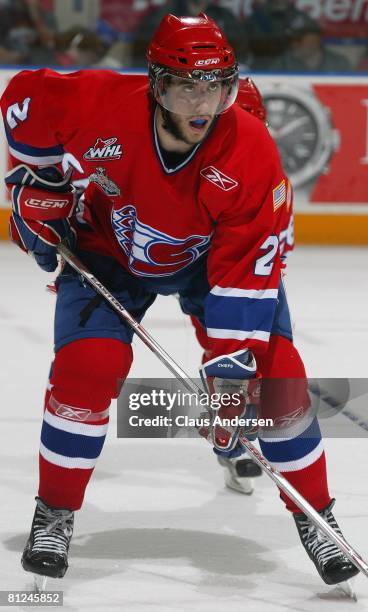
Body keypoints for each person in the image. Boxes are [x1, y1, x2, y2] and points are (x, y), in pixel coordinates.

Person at [0, 12, 359, 587]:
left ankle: (318, 516)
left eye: (216, 85)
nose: (202, 101)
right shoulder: (99, 104)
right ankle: (55, 513)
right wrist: (39, 184)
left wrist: (231, 371)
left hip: (209, 266)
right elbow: (22, 103)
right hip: (109, 250)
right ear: (156, 84)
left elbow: (243, 272)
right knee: (85, 371)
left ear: (232, 84)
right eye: (185, 84)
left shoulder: (250, 151)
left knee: (277, 381)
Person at [271, 14, 353, 73]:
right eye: (291, 40)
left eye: (298, 39)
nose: (294, 44)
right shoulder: (282, 64)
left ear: (316, 40)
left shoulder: (339, 64)